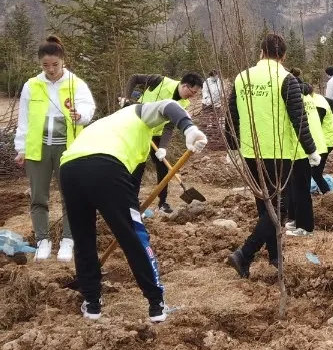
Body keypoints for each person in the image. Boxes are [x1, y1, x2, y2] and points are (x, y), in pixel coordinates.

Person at [58, 100, 208, 322]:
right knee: (133, 236)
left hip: (69, 170)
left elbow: (131, 183)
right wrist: (189, 128)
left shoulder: (105, 125)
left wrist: (130, 208)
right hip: (106, 166)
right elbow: (169, 105)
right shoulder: (135, 111)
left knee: (83, 238)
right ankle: (157, 305)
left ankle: (92, 304)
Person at [226, 34, 318, 278]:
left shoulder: (241, 78)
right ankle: (244, 254)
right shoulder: (285, 79)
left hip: (250, 151)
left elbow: (231, 114)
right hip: (277, 153)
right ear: (283, 56)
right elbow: (299, 119)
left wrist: (232, 144)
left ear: (260, 52)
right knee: (279, 209)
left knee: (264, 206)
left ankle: (275, 256)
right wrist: (310, 150)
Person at [14, 37, 95, 262]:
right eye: (45, 65)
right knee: (38, 197)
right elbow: (24, 119)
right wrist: (21, 148)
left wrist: (80, 116)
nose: (50, 70)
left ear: (63, 62)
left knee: (70, 195)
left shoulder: (75, 84)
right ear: (40, 64)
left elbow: (89, 108)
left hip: (67, 149)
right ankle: (42, 241)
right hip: (38, 148)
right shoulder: (32, 85)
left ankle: (68, 240)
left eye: (54, 65)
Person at [123, 72, 203, 213]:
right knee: (138, 166)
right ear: (185, 86)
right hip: (139, 128)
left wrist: (163, 147)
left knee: (162, 168)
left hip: (157, 134)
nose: (193, 96)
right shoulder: (160, 81)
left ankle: (163, 203)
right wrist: (126, 97)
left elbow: (169, 125)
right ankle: (132, 202)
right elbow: (134, 78)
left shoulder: (184, 103)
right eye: (193, 92)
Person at [284, 73, 326, 236]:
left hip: (301, 148)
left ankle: (305, 227)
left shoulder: (293, 98)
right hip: (309, 146)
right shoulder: (306, 97)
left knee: (301, 188)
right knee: (296, 187)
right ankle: (296, 220)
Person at [311, 88, 333, 191]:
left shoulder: (318, 105)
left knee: (316, 174)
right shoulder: (319, 98)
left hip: (323, 143)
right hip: (325, 141)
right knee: (315, 173)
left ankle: (328, 196)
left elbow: (315, 126)